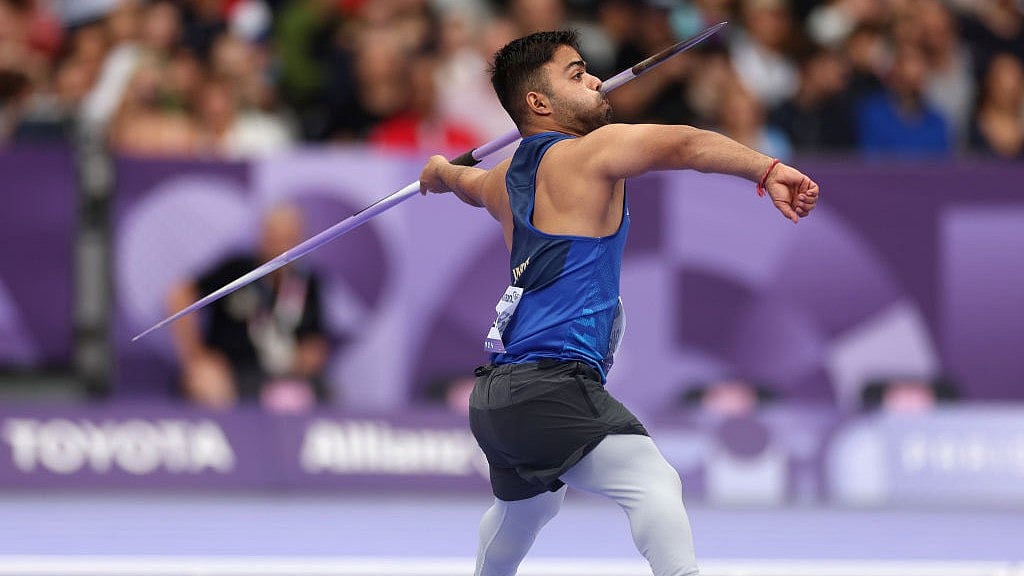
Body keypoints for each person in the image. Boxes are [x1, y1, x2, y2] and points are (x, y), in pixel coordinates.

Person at [418, 30, 819, 576]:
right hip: (552, 386)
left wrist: (439, 172)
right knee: (653, 481)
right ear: (538, 102)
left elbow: (465, 181)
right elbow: (685, 145)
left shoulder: (502, 182)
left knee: (528, 508)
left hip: (497, 399)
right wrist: (767, 169)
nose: (596, 81)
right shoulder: (591, 152)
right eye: (577, 74)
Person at [167, 203, 331, 411]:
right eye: (274, 238)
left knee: (306, 398)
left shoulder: (309, 282)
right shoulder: (237, 271)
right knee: (205, 382)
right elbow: (179, 294)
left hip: (284, 377)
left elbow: (316, 344)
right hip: (231, 373)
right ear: (261, 237)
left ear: (300, 239)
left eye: (288, 239)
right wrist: (196, 357)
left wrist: (306, 358)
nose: (281, 248)